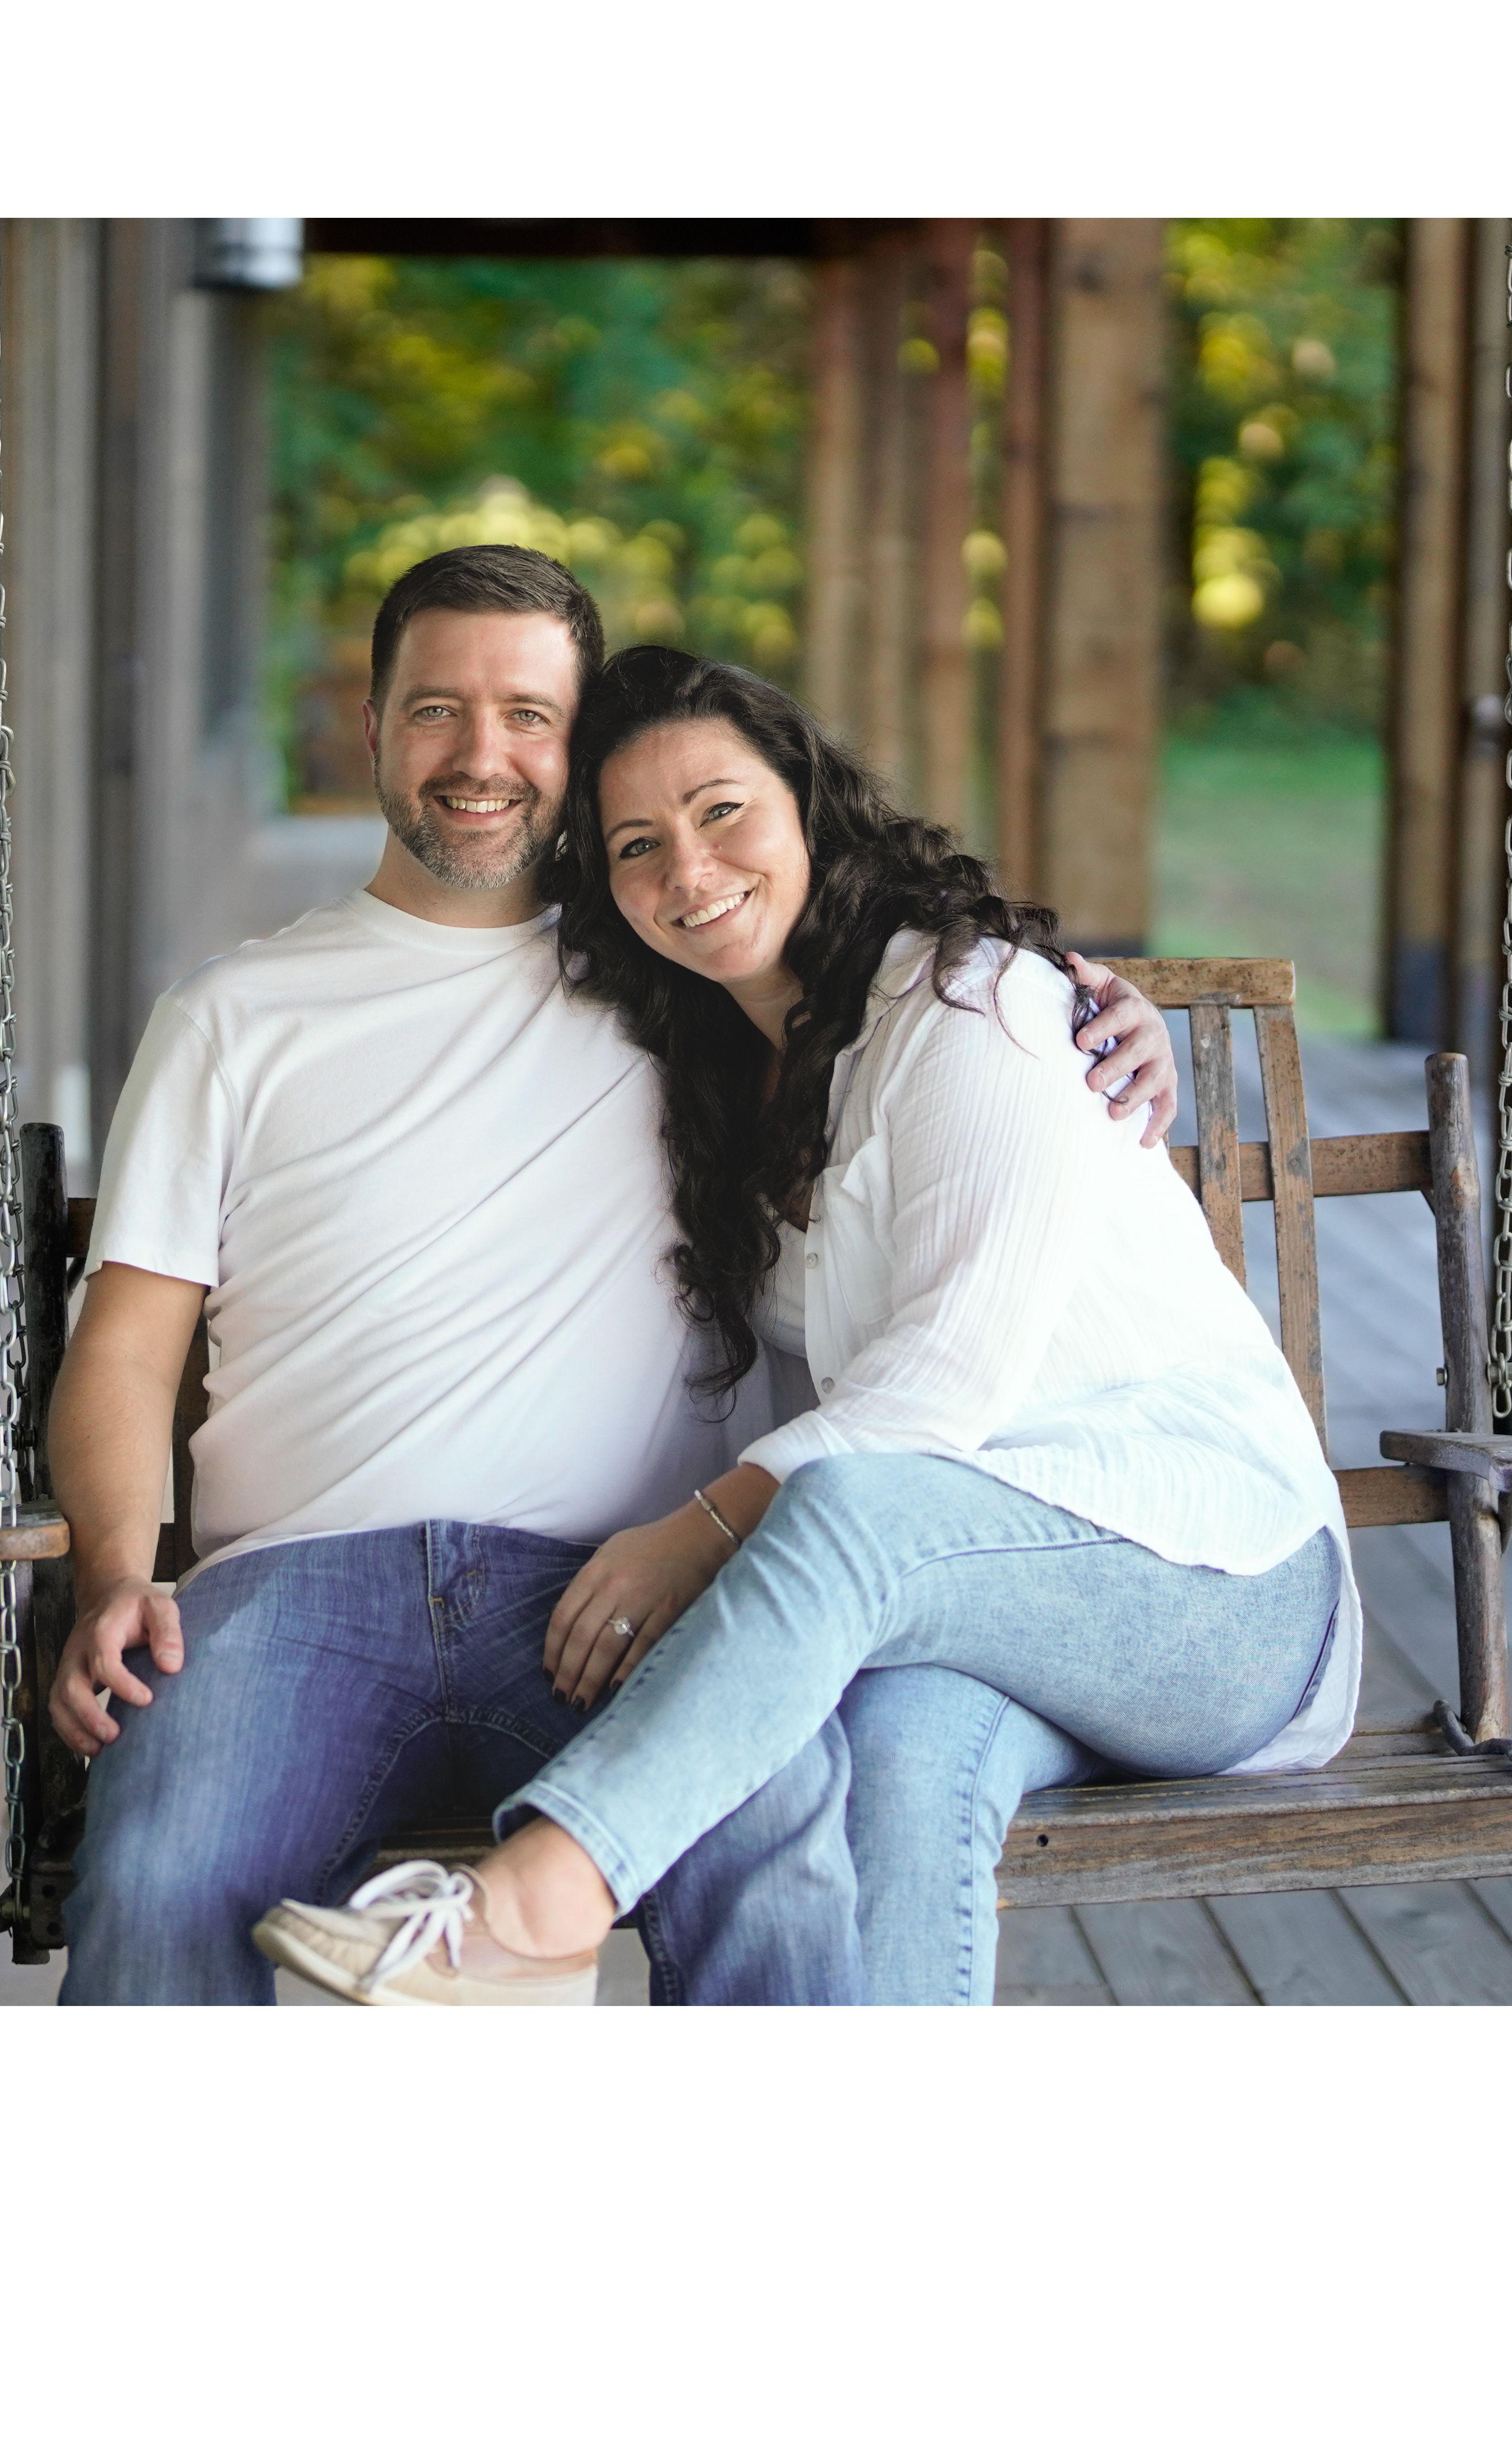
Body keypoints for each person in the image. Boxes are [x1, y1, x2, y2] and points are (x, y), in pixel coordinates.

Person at [53, 553, 1179, 2003]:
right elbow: (128, 1348)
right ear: (375, 726)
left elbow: (909, 989)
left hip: (610, 1588)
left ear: (579, 753)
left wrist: (1081, 996)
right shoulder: (233, 1014)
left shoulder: (677, 981)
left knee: (777, 1836)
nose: (481, 756)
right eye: (437, 709)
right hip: (290, 1593)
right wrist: (112, 1570)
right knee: (152, 1874)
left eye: (529, 716)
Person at [253, 644, 1352, 2009]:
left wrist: (699, 1533)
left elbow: (936, 1391)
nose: (690, 871)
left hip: (1219, 1585)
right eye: (638, 847)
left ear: (809, 804)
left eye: (722, 811)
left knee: (851, 1508)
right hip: (969, 1612)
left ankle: (536, 1908)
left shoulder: (977, 1007)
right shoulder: (724, 1089)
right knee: (889, 1759)